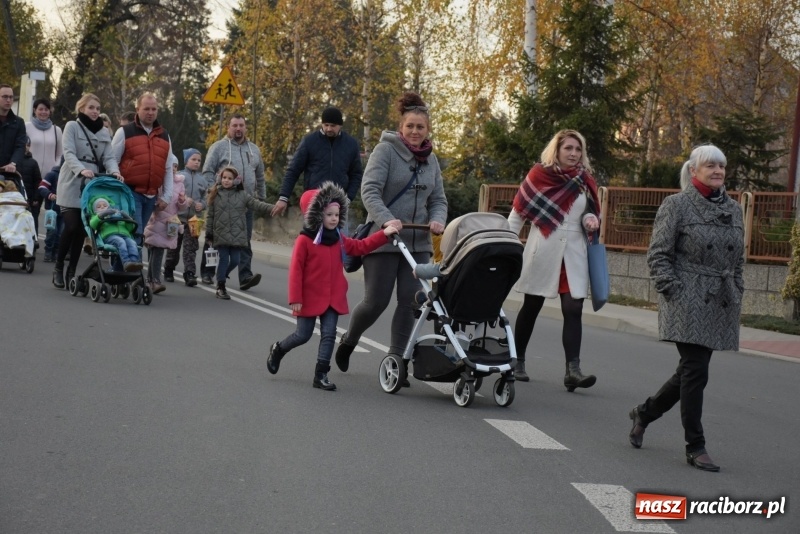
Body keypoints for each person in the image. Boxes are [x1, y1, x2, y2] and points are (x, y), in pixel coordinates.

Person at [628, 144, 743, 473]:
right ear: (693, 171)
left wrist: (737, 289)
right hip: (686, 298)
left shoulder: (734, 210)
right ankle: (696, 445)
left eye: (721, 165)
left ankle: (645, 413)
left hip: (720, 299)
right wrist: (673, 290)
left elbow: (739, 261)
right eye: (710, 166)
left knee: (689, 372)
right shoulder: (676, 205)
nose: (718, 171)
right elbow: (658, 254)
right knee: (697, 370)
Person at [334, 92, 447, 379]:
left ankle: (397, 360)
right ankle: (349, 340)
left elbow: (438, 199)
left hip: (418, 243)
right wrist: (387, 222)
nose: (415, 132)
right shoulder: (385, 151)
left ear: (427, 130)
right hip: (384, 240)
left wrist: (437, 219)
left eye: (420, 127)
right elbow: (369, 191)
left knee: (411, 303)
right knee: (376, 301)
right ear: (401, 126)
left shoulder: (431, 160)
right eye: (410, 126)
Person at [266, 183, 399, 391]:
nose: (334, 219)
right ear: (317, 214)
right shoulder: (305, 241)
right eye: (329, 214)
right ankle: (279, 349)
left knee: (329, 334)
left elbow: (361, 246)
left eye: (337, 214)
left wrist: (385, 234)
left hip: (332, 298)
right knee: (303, 335)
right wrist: (295, 298)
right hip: (309, 297)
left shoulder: (338, 238)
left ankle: (321, 374)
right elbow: (296, 271)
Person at [506, 129, 600, 388]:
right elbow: (518, 215)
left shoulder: (584, 180)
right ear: (556, 151)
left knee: (574, 309)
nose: (573, 154)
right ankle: (518, 361)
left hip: (574, 254)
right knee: (531, 306)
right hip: (544, 250)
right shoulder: (539, 175)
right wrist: (504, 245)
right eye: (568, 148)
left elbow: (588, 213)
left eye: (578, 149)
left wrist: (590, 219)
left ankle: (573, 371)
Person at [53, 93, 122, 289]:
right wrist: (81, 169)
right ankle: (59, 267)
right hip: (73, 180)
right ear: (81, 108)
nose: (95, 112)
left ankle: (72, 272)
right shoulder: (72, 127)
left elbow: (109, 157)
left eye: (98, 109)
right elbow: (68, 152)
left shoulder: (104, 132)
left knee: (82, 230)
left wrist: (115, 172)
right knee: (72, 226)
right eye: (91, 107)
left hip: (93, 183)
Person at [201, 114, 266, 290]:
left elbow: (259, 175)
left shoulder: (254, 150)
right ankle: (207, 272)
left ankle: (245, 276)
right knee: (214, 239)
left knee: (244, 240)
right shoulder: (219, 147)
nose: (238, 129)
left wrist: (261, 196)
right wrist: (212, 192)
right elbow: (207, 172)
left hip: (244, 203)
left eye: (241, 125)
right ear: (229, 127)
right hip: (222, 202)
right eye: (234, 125)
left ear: (245, 128)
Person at [271, 106, 363, 218]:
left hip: (338, 206)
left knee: (338, 236)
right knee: (312, 236)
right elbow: (293, 170)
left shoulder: (351, 144)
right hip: (313, 203)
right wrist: (283, 197)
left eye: (333, 126)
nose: (329, 129)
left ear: (340, 126)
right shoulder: (309, 141)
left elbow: (356, 174)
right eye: (326, 125)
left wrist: (348, 198)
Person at [111, 92, 174, 246]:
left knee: (134, 234)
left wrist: (166, 196)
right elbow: (112, 161)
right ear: (137, 109)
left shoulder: (165, 136)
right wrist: (116, 188)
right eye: (146, 109)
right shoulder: (124, 132)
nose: (150, 113)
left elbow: (167, 167)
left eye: (154, 109)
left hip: (151, 196)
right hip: (130, 192)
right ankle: (133, 269)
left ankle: (121, 268)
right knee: (136, 231)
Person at [204, 166, 274, 300]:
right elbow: (210, 216)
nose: (226, 181)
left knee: (235, 260)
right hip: (221, 234)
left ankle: (222, 275)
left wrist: (273, 208)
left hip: (237, 235)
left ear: (236, 181)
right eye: (224, 178)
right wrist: (209, 234)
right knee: (224, 259)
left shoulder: (242, 195)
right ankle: (221, 286)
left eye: (230, 178)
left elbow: (256, 204)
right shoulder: (215, 194)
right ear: (220, 178)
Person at [143, 155, 191, 294]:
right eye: (171, 166)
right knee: (154, 250)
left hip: (170, 222)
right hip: (156, 218)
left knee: (158, 250)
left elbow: (182, 207)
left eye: (176, 166)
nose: (173, 169)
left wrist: (183, 201)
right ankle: (154, 280)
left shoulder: (180, 183)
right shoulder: (159, 181)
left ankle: (152, 280)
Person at [164, 148, 206, 286]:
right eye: (193, 159)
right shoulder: (179, 177)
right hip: (177, 218)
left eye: (199, 160)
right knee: (173, 245)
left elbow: (206, 197)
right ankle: (169, 269)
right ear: (186, 160)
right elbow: (173, 192)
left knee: (191, 248)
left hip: (195, 220)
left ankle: (189, 273)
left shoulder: (202, 179)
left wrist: (202, 204)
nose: (196, 162)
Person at [88, 197, 143, 272]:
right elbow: (92, 224)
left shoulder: (117, 215)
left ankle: (133, 262)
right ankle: (126, 262)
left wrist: (127, 218)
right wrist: (102, 215)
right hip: (109, 236)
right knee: (120, 241)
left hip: (124, 235)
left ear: (109, 206)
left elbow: (130, 228)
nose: (102, 207)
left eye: (105, 205)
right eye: (99, 207)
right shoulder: (96, 217)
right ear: (95, 210)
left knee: (132, 243)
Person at [25, 97, 63, 178]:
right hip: (30, 173)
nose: (43, 112)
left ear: (50, 112)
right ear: (34, 111)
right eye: (40, 109)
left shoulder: (57, 130)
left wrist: (55, 168)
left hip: (50, 175)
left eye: (46, 109)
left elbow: (60, 155)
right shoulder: (26, 127)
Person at [38, 157, 63, 262]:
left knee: (60, 233)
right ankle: (48, 251)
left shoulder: (71, 176)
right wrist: (49, 195)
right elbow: (42, 187)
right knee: (52, 231)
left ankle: (56, 252)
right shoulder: (52, 175)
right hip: (52, 209)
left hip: (64, 210)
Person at [18, 137, 43, 237]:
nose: (26, 147)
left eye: (28, 145)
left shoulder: (33, 163)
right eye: (24, 145)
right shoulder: (13, 162)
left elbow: (38, 181)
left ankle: (34, 240)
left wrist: (36, 198)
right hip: (17, 198)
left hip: (30, 198)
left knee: (32, 221)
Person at [0, 84, 27, 175]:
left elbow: (20, 146)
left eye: (11, 97)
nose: (8, 100)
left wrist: (13, 163)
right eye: (5, 97)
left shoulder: (18, 122)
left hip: (10, 172)